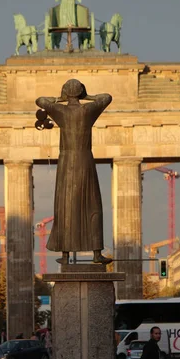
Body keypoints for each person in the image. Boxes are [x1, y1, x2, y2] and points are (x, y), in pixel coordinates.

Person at [36, 80, 112, 265]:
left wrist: (59, 99)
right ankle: (96, 254)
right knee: (93, 206)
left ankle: (64, 255)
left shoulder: (59, 111)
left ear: (65, 94)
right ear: (81, 93)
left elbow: (40, 100)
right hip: (85, 160)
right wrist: (88, 97)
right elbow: (107, 97)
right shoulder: (88, 110)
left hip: (66, 163)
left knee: (65, 208)